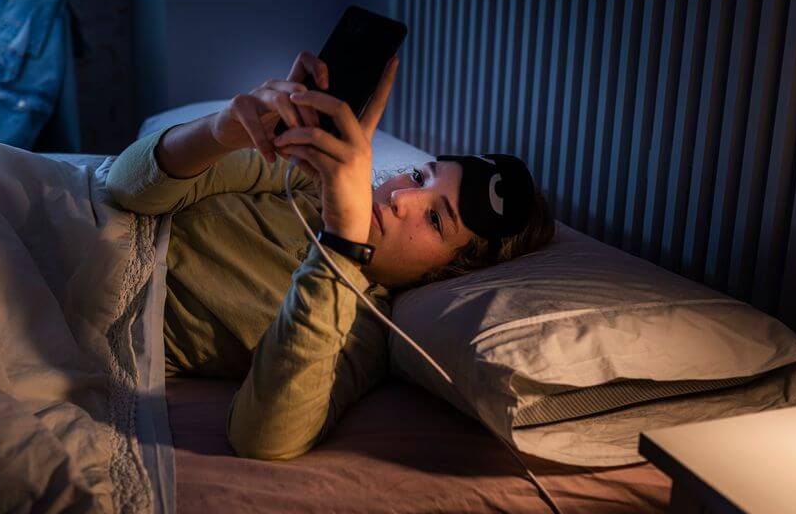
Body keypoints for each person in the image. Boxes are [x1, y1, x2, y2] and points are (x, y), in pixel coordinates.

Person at [106, 51, 554, 460]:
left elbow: (262, 438)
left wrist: (341, 244)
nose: (401, 198)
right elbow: (125, 188)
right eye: (419, 176)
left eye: (436, 220)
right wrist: (218, 132)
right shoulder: (306, 181)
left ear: (449, 271)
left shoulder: (361, 331)